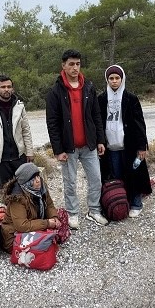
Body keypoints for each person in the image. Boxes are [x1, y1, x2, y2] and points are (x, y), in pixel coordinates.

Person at [45, 49, 108, 229]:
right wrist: (58, 150)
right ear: (63, 66)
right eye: (71, 64)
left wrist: (100, 140)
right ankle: (73, 213)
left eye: (78, 64)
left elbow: (96, 115)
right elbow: (52, 123)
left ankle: (94, 211)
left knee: (96, 178)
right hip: (69, 147)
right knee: (70, 182)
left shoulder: (88, 86)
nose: (75, 68)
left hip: (89, 145)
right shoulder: (55, 92)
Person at [98, 64, 152, 217]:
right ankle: (121, 201)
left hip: (129, 145)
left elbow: (139, 123)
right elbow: (98, 122)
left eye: (117, 78)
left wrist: (142, 146)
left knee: (133, 173)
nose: (114, 81)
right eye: (111, 78)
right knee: (117, 176)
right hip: (111, 146)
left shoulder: (131, 98)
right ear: (107, 80)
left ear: (122, 79)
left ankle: (136, 203)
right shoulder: (101, 99)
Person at [0, 75, 35, 186]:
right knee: (7, 193)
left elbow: (26, 131)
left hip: (19, 157)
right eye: (3, 87)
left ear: (12, 89)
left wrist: (29, 151)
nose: (6, 89)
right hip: (1, 161)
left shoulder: (20, 107)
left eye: (9, 86)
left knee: (26, 189)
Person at [0, 162, 62, 252]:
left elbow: (49, 205)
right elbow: (22, 226)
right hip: (15, 235)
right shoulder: (17, 198)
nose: (38, 180)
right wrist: (47, 223)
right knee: (45, 246)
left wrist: (54, 217)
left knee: (61, 216)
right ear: (26, 182)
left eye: (38, 176)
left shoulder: (41, 188)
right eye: (33, 178)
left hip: (33, 224)